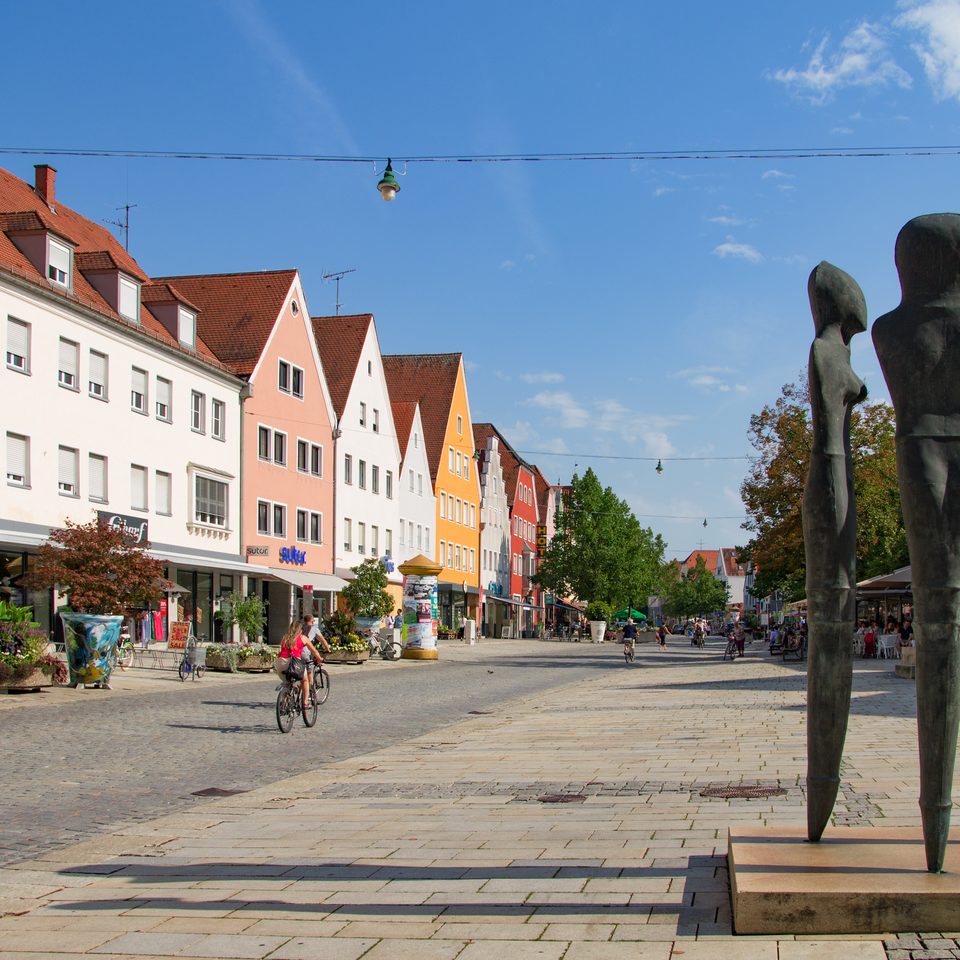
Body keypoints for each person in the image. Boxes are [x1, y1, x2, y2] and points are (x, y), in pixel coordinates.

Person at [279, 618, 330, 708]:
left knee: (287, 682)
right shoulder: (303, 638)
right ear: (301, 630)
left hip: (280, 662)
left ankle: (284, 700)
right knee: (305, 680)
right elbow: (314, 651)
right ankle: (305, 702)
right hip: (294, 663)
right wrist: (320, 658)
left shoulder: (285, 637)